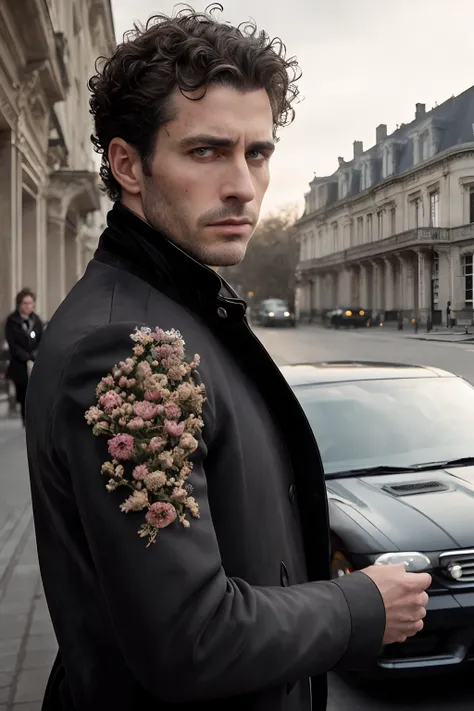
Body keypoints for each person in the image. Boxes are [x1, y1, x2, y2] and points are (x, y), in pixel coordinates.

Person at [25, 7, 431, 711]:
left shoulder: (177, 305)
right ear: (128, 163)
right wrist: (361, 606)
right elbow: (192, 636)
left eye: (259, 153)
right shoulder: (127, 346)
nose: (244, 185)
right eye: (208, 151)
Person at [5, 288, 43, 425]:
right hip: (19, 363)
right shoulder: (12, 321)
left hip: (35, 362)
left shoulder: (36, 320)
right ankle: (25, 418)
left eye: (30, 303)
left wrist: (34, 355)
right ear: (19, 304)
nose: (28, 306)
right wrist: (25, 357)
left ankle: (33, 417)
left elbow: (41, 340)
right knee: (22, 391)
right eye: (25, 303)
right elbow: (12, 344)